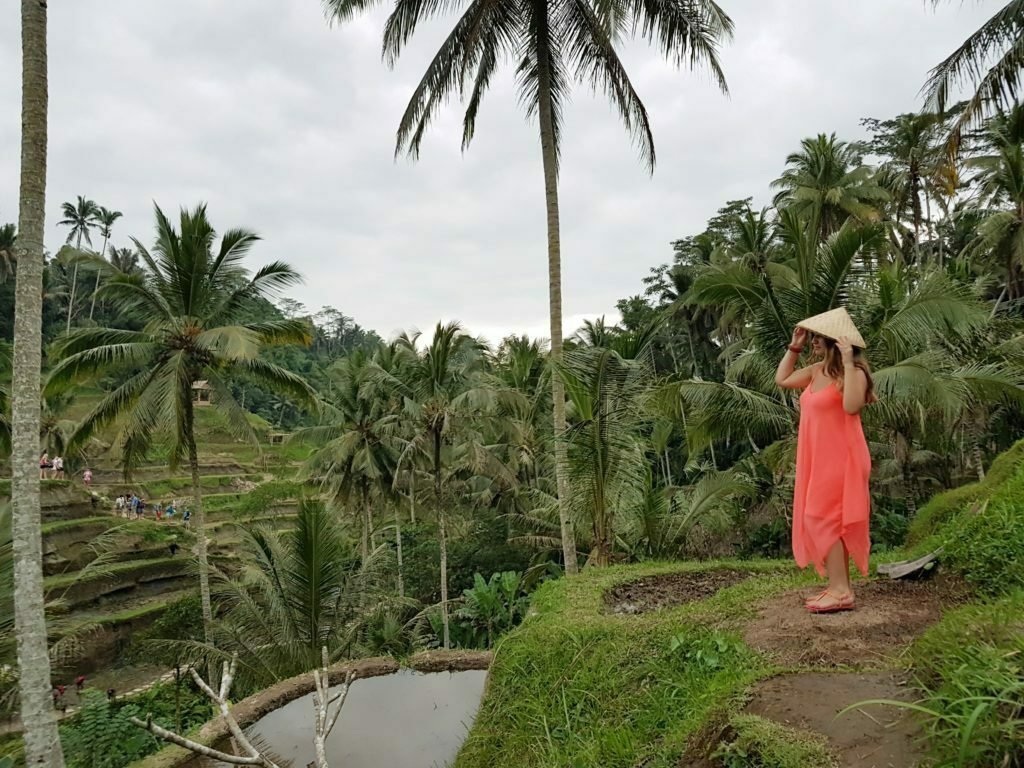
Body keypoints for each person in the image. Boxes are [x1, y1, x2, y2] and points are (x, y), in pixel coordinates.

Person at [775, 307, 875, 614]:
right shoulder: (816, 371)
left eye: (819, 337)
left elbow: (851, 406)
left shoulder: (853, 372)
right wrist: (795, 346)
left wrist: (847, 361)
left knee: (821, 516)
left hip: (842, 457)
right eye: (814, 336)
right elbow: (783, 379)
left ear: (836, 341)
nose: (815, 341)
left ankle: (841, 590)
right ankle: (838, 586)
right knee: (827, 518)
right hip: (818, 456)